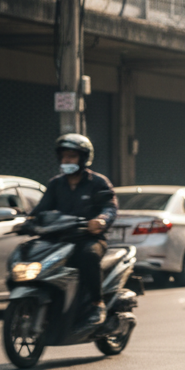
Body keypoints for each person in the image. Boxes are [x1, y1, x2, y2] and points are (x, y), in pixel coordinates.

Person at [31, 134, 118, 325]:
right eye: (63, 157)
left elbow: (110, 207)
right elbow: (40, 210)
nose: (66, 161)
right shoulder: (56, 184)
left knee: (88, 255)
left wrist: (102, 220)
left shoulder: (98, 182)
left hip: (88, 239)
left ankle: (97, 303)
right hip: (59, 240)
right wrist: (27, 220)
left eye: (71, 156)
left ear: (83, 158)